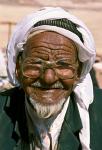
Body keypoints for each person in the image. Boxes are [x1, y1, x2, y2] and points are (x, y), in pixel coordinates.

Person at [0, 7, 102, 150]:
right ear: (18, 67)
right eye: (36, 63)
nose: (48, 78)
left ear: (78, 71)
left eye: (63, 65)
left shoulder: (98, 114)